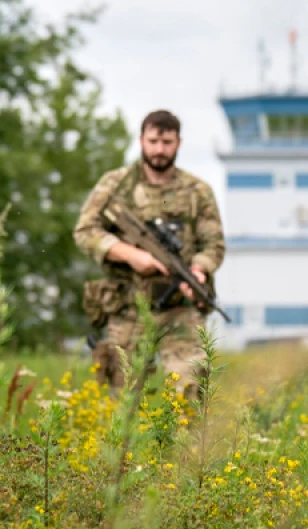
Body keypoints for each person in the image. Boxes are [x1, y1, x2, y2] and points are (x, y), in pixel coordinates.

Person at [73, 109, 225, 400]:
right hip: (129, 307)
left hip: (180, 309)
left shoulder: (198, 191)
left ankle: (186, 433)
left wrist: (198, 271)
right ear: (141, 140)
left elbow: (213, 244)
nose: (159, 150)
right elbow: (85, 231)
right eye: (153, 141)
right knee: (122, 401)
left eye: (167, 142)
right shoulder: (116, 185)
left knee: (190, 391)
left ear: (178, 143)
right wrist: (129, 254)